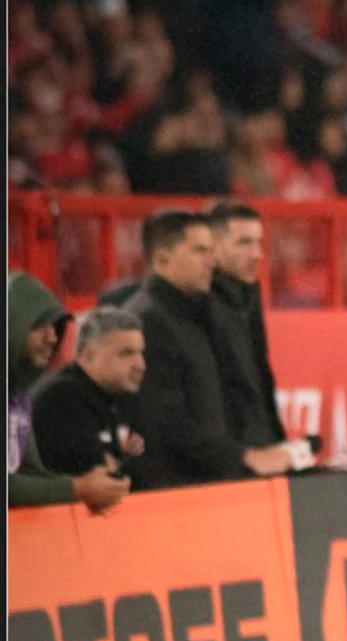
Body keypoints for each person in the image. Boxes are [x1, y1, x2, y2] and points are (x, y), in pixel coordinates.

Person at [124, 211, 291, 489]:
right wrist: (244, 456)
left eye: (213, 251)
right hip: (169, 496)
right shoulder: (146, 321)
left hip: (205, 485)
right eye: (200, 251)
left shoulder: (195, 316)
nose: (212, 262)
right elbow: (165, 421)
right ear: (162, 259)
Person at [8, 273, 130, 513]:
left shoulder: (18, 398)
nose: (52, 338)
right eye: (40, 327)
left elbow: (31, 474)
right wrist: (76, 489)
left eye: (56, 328)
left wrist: (93, 487)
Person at [32, 307, 147, 479]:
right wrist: (121, 461)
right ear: (88, 356)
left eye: (141, 353)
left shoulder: (122, 393)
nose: (141, 365)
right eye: (126, 353)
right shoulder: (61, 400)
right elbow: (100, 480)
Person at [208, 202, 287, 448]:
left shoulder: (248, 297)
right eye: (244, 243)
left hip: (260, 449)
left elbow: (260, 381)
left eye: (258, 243)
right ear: (214, 247)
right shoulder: (201, 305)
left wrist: (276, 441)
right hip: (231, 458)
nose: (257, 254)